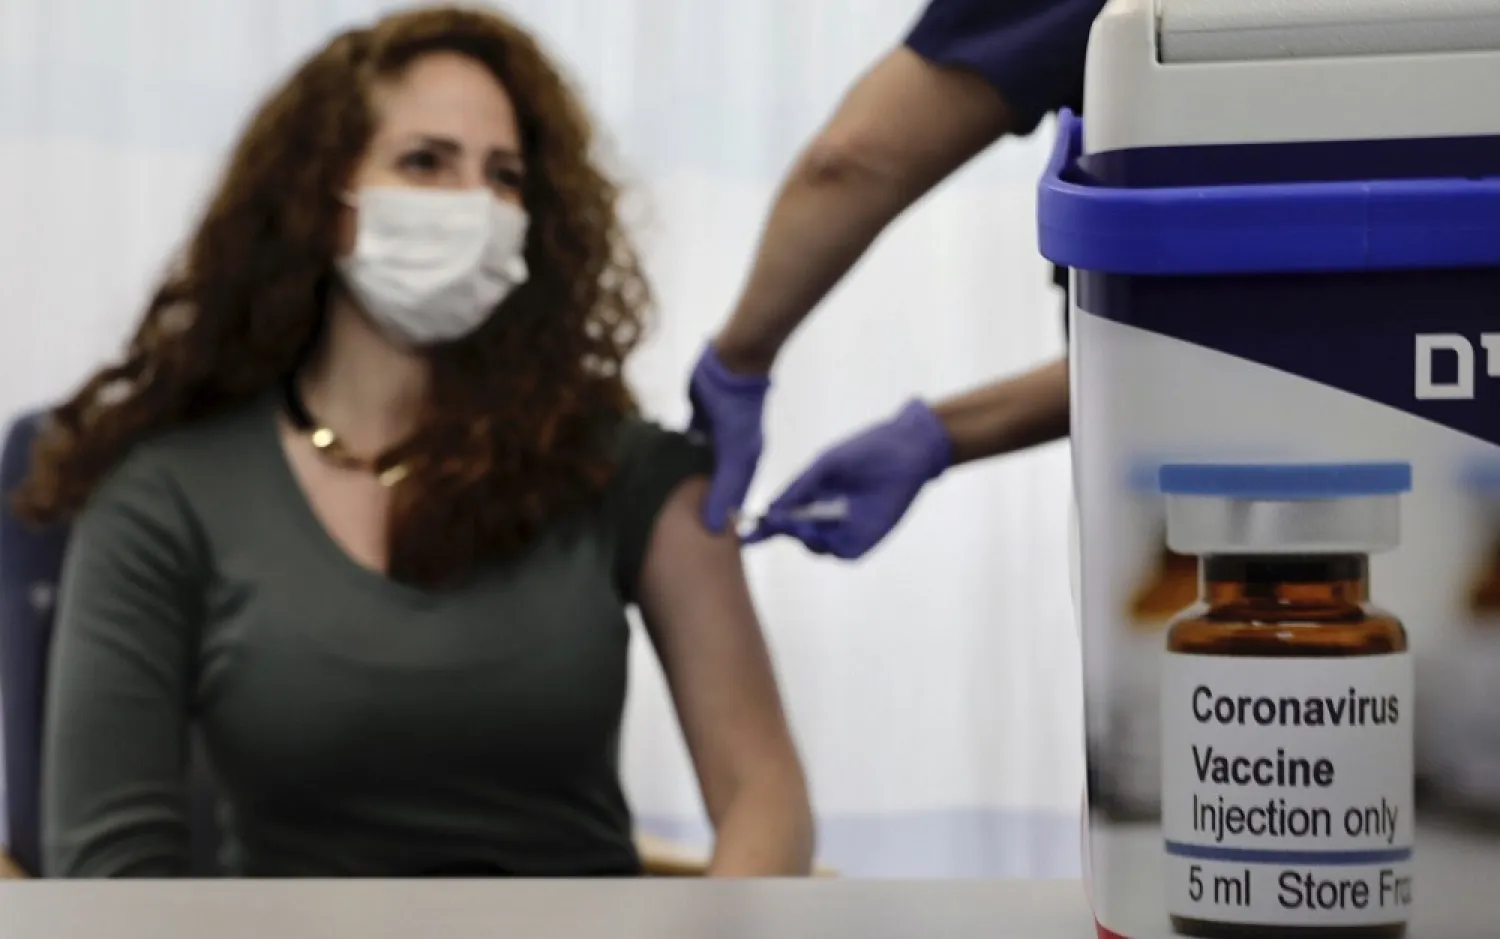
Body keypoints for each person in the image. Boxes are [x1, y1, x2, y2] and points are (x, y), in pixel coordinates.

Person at [20, 5, 813, 878]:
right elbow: (111, 864)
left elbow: (762, 798)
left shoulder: (626, 474)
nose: (474, 204)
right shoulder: (166, 494)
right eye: (425, 163)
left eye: (504, 176)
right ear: (324, 202)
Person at [688, 0, 1106, 559]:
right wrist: (938, 435)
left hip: (1174, 524)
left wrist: (738, 364)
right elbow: (1206, 356)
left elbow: (852, 160)